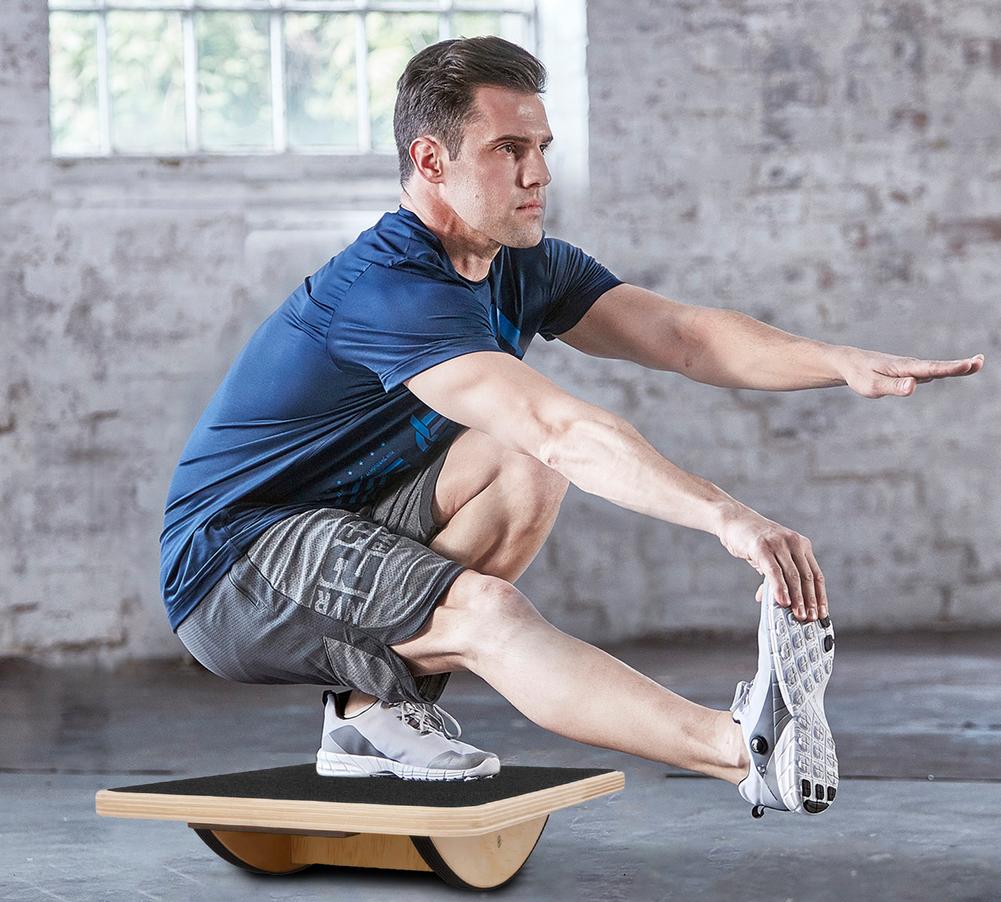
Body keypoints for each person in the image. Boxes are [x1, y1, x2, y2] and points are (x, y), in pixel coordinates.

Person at [160, 36, 984, 815]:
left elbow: (681, 335)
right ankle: (744, 748)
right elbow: (557, 425)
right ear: (430, 161)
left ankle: (367, 714)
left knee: (521, 466)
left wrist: (832, 358)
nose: (536, 173)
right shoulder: (389, 289)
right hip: (233, 563)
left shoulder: (521, 264)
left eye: (542, 148)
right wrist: (724, 516)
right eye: (508, 150)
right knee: (486, 612)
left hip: (343, 524)